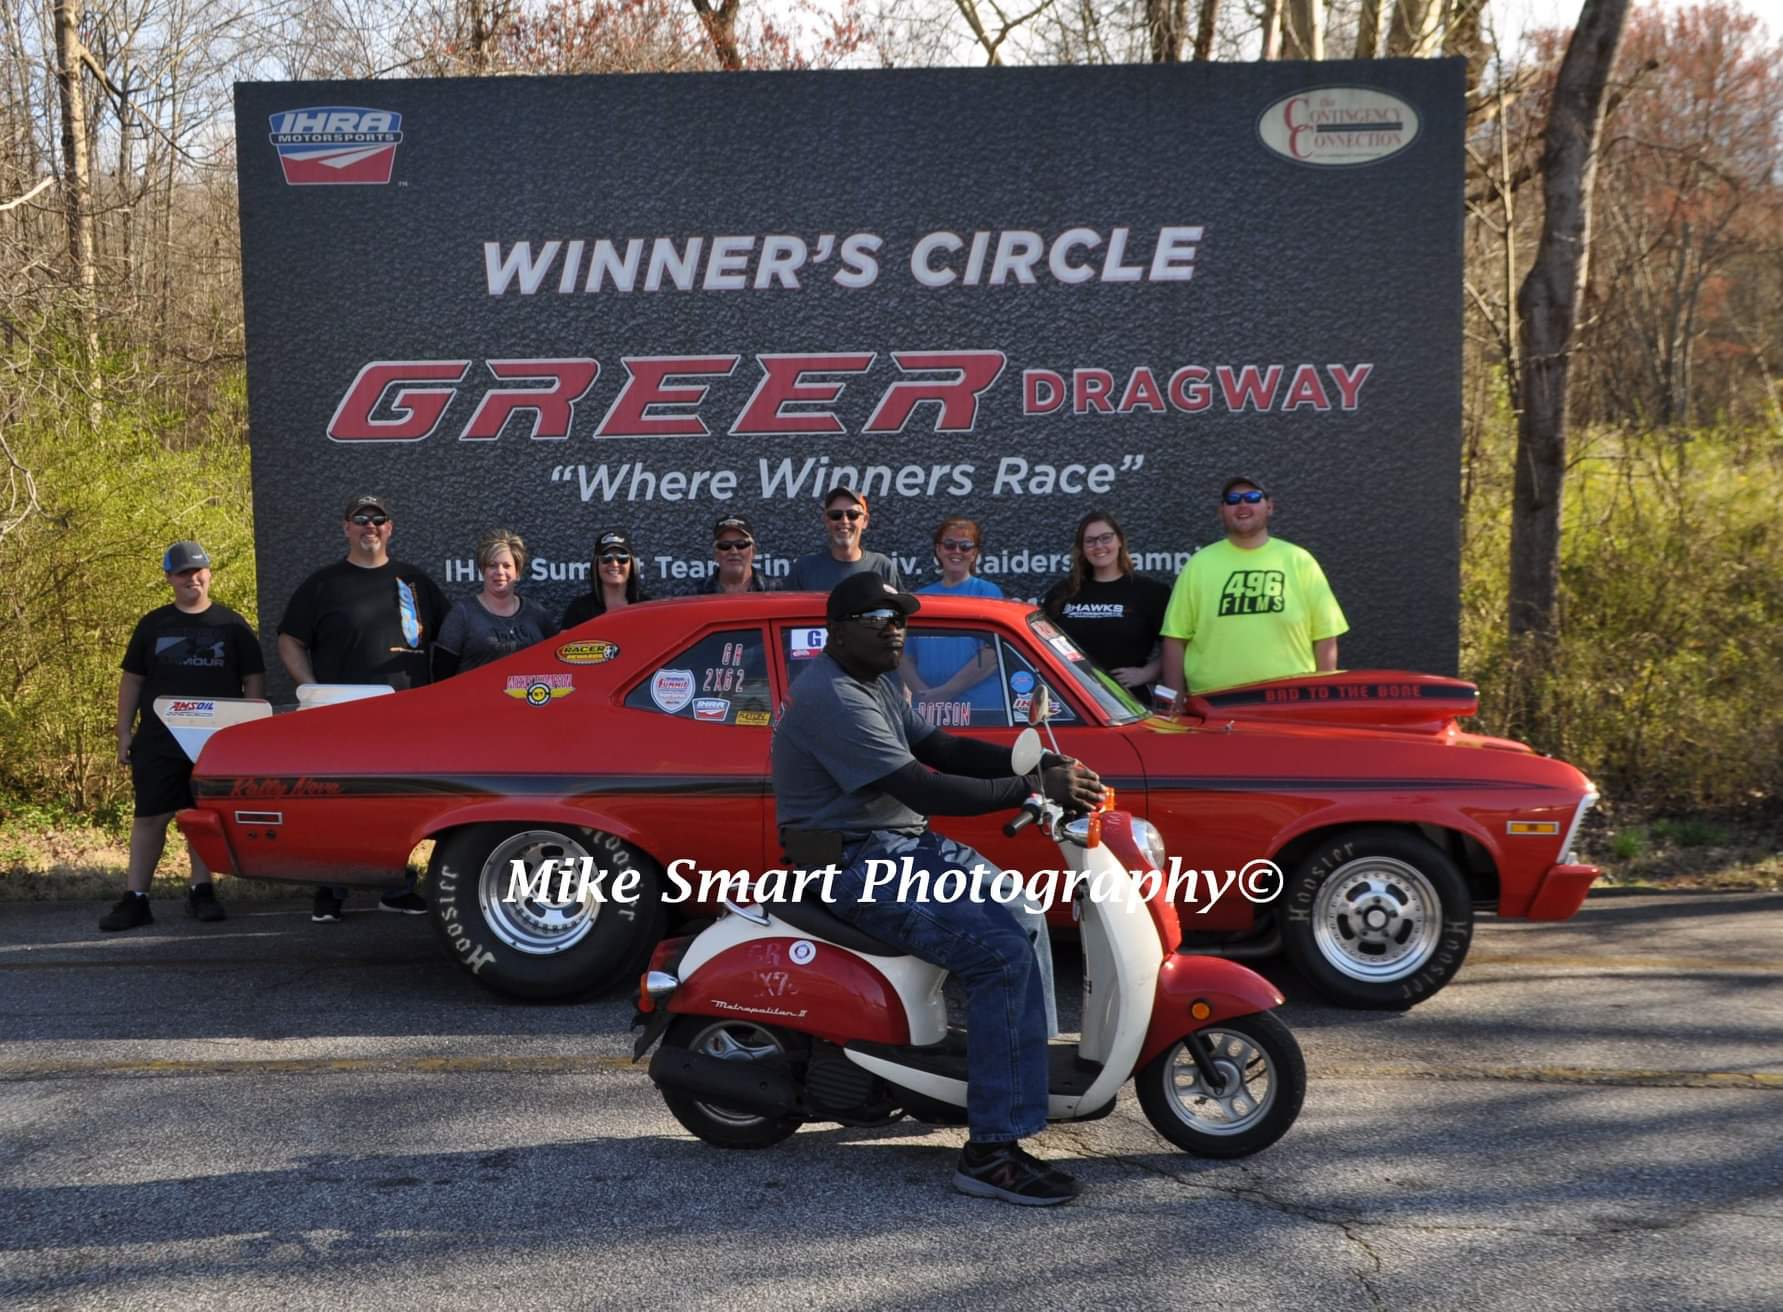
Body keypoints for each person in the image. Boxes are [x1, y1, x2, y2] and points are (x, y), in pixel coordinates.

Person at [773, 573, 1105, 1206]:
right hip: (857, 863)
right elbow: (921, 786)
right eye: (877, 619)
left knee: (1022, 910)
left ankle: (1018, 1081)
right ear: (837, 632)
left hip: (903, 846)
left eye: (899, 618)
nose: (894, 629)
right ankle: (991, 1154)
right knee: (999, 955)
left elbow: (942, 747)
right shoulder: (833, 695)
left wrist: (1035, 763)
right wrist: (1033, 788)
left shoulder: (876, 681)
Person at [278, 495, 448, 922]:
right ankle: (328, 891)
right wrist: (311, 691)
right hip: (341, 717)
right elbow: (289, 640)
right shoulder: (323, 584)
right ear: (346, 528)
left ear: (390, 528)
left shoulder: (415, 581)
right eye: (360, 519)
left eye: (378, 519)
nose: (369, 525)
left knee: (394, 807)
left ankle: (396, 887)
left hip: (403, 717)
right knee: (335, 806)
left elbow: (450, 640)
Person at [101, 541, 266, 932]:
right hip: (159, 739)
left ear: (209, 573)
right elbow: (132, 680)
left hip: (216, 741)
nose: (192, 578)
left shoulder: (232, 625)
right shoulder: (153, 625)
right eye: (183, 573)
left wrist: (251, 733)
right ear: (169, 578)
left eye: (198, 571)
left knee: (202, 817)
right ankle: (136, 899)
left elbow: (254, 679)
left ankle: (201, 891)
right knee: (149, 817)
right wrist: (124, 731)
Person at [1162, 476, 1348, 708]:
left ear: (1269, 506)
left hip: (1290, 704)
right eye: (1233, 499)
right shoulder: (1198, 565)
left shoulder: (1299, 561)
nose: (1242, 504)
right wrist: (1175, 705)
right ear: (1221, 511)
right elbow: (1174, 639)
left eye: (1252, 497)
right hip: (1214, 709)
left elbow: (1326, 637)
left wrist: (1323, 701)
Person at [1041, 510, 1172, 700]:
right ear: (1082, 548)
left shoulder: (1151, 592)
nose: (1099, 546)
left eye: (1106, 538)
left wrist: (1145, 674)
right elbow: (1042, 644)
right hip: (1073, 699)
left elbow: (1175, 647)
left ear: (1120, 541)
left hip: (1129, 701)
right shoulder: (1062, 592)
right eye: (1090, 541)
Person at [902, 516, 1003, 727]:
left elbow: (991, 656)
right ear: (938, 550)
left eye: (965, 546)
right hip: (929, 712)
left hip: (978, 711)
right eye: (949, 545)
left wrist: (944, 692)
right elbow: (905, 658)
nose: (956, 551)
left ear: (974, 553)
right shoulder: (921, 598)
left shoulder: (987, 593)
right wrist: (925, 695)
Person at [435, 528, 559, 677]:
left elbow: (557, 663)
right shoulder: (462, 614)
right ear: (483, 570)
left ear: (517, 572)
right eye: (492, 565)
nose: (499, 572)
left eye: (507, 566)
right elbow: (441, 675)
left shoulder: (537, 614)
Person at [785, 487, 903, 592]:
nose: (844, 521)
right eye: (836, 515)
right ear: (826, 520)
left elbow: (900, 608)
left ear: (865, 521)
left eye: (853, 514)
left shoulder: (882, 567)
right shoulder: (804, 569)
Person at [561, 529, 650, 628]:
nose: (615, 564)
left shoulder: (646, 607)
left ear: (632, 565)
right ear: (596, 565)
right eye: (607, 558)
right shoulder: (579, 610)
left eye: (622, 558)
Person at [700, 514, 773, 594]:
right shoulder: (696, 593)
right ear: (716, 554)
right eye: (725, 545)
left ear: (753, 551)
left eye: (741, 544)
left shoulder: (776, 589)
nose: (733, 551)